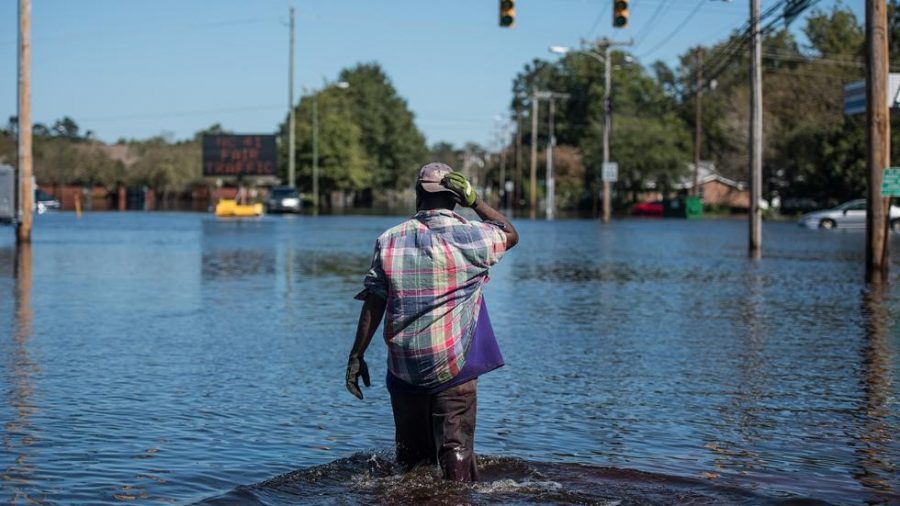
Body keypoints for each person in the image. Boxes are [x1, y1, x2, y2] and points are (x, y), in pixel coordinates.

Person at [345, 162, 519, 481]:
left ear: (417, 195)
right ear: (456, 199)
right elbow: (510, 234)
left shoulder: (389, 240)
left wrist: (357, 355)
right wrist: (477, 202)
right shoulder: (474, 237)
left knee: (412, 463)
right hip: (454, 365)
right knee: (456, 451)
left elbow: (374, 301)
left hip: (404, 367)